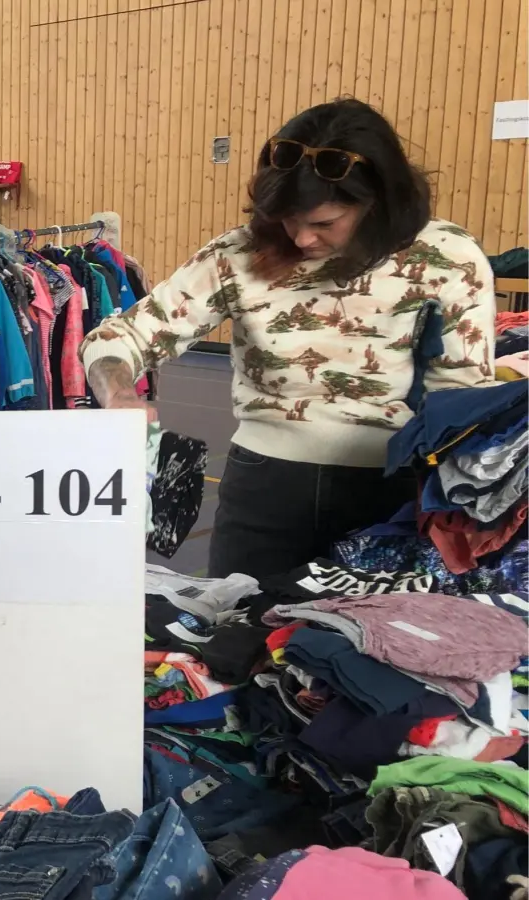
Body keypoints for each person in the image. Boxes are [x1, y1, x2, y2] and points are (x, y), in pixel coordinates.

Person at [81, 98, 496, 580]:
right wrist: (119, 393)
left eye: (323, 223)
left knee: (361, 648)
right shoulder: (239, 253)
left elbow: (465, 397)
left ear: (378, 202)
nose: (300, 239)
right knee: (233, 642)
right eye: (286, 219)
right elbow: (120, 335)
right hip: (263, 490)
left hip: (393, 496)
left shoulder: (446, 256)